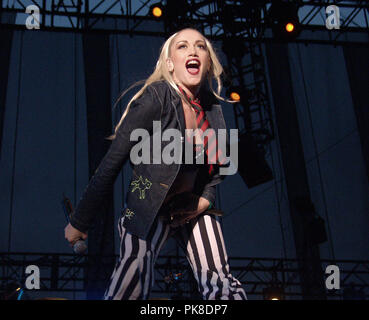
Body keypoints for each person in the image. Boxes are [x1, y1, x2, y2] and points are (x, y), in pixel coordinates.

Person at [64, 28, 247, 300]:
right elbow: (111, 163)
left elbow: (216, 170)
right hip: (147, 203)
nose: (193, 51)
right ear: (170, 64)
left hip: (190, 205)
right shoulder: (156, 98)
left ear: (208, 62)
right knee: (132, 275)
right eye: (183, 46)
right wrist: (80, 221)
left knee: (220, 280)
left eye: (200, 46)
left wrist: (205, 200)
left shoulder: (212, 110)